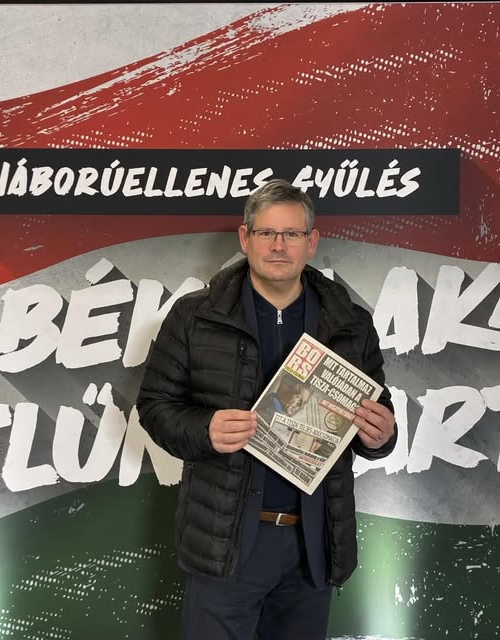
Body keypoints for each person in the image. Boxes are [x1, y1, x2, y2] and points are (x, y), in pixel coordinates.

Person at [136, 178, 397, 640]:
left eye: (292, 233)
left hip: (312, 546)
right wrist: (205, 429)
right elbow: (155, 407)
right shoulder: (194, 316)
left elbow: (377, 416)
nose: (279, 245)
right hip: (226, 543)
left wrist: (381, 436)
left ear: (312, 242)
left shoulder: (352, 324)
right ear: (245, 238)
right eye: (267, 233)